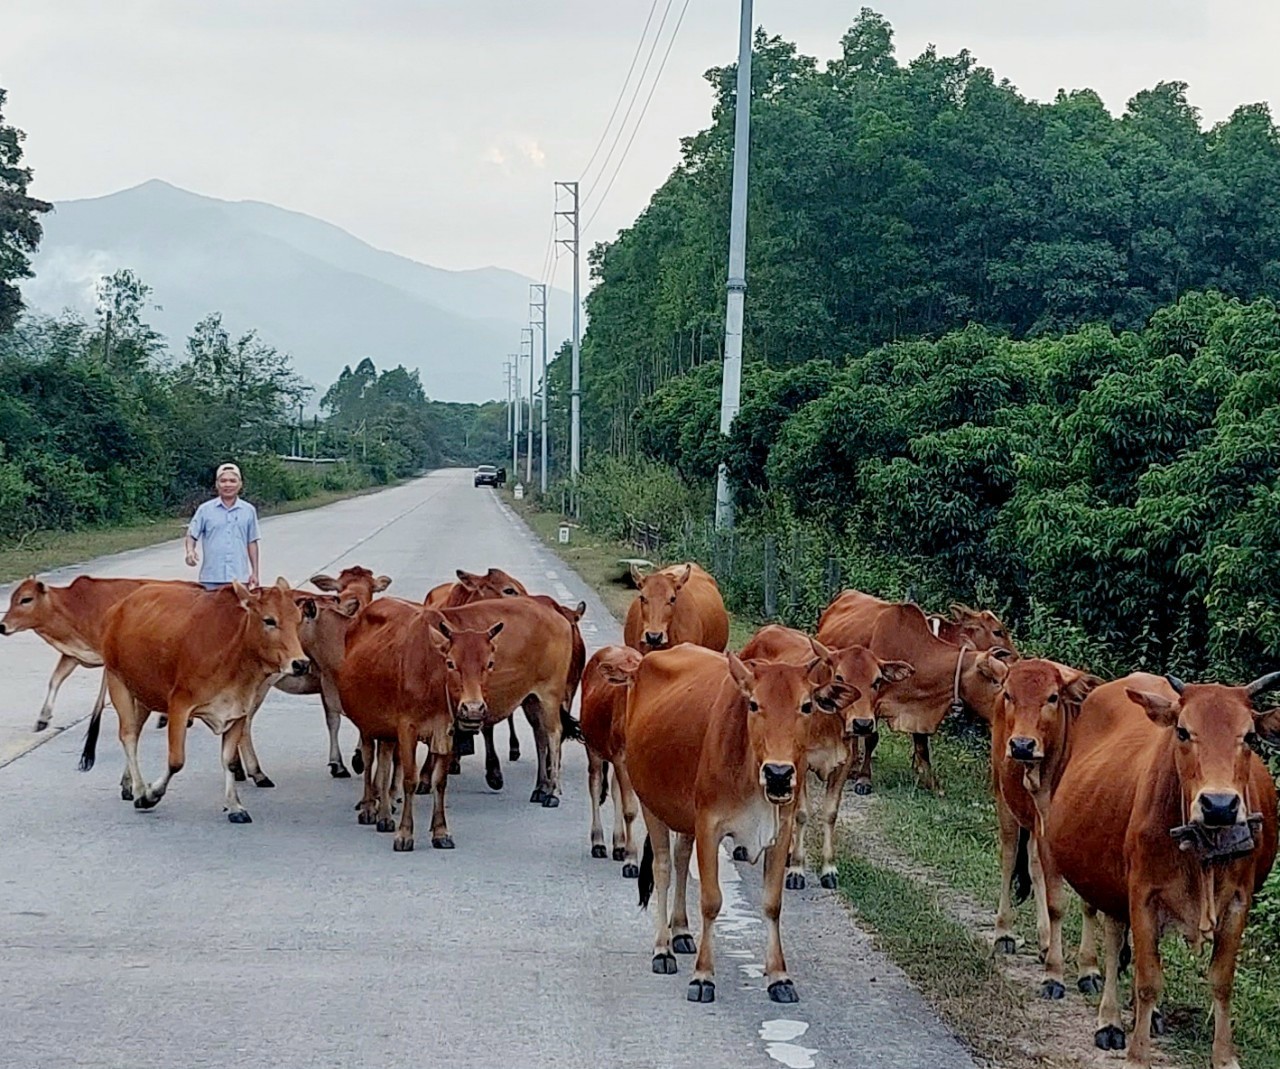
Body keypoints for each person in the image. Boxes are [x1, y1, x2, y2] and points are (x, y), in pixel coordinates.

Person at [184, 463, 260, 589]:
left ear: (240, 484)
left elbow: (252, 542)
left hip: (239, 578)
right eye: (223, 481)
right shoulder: (205, 510)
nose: (228, 485)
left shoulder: (248, 510)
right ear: (217, 484)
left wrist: (255, 573)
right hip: (211, 577)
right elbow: (191, 535)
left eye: (232, 481)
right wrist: (190, 551)